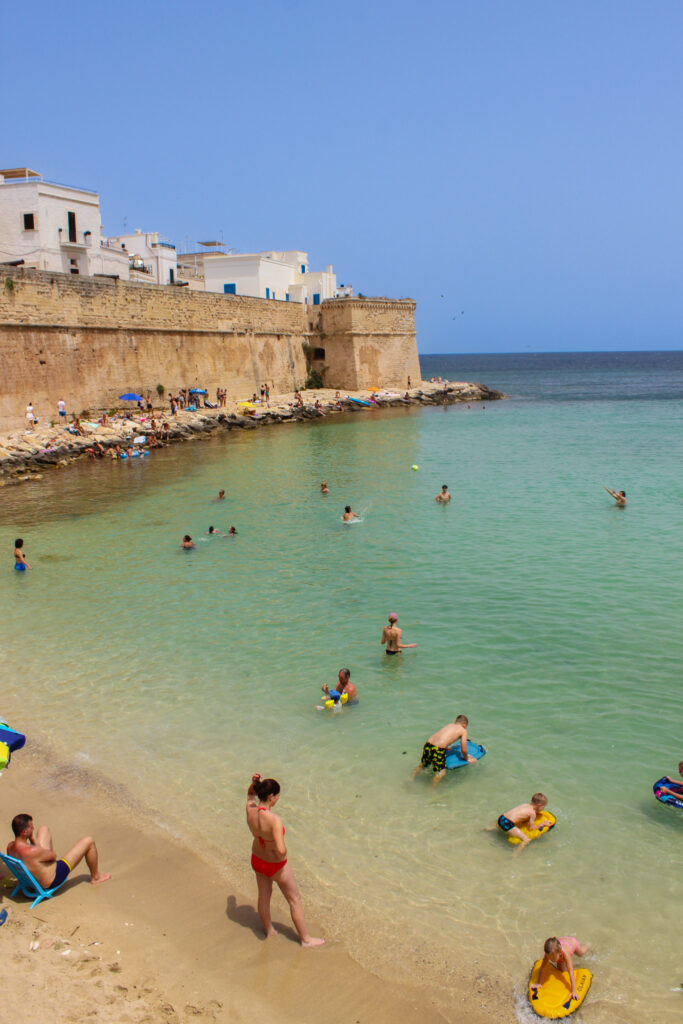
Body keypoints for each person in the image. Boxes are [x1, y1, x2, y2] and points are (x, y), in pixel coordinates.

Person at [245, 775, 324, 947]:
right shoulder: (274, 820)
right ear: (271, 797)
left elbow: (250, 795)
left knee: (264, 897)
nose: (277, 800)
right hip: (275, 865)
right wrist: (280, 854)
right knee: (295, 899)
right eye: (277, 797)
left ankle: (269, 931)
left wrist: (253, 784)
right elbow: (281, 850)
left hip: (257, 859)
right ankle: (306, 939)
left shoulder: (250, 810)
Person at [8, 813, 111, 889]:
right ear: (24, 832)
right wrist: (34, 840)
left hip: (31, 880)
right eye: (31, 827)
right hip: (53, 877)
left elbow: (35, 856)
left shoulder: (10, 847)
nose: (33, 828)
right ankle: (96, 877)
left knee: (43, 829)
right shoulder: (32, 851)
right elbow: (53, 856)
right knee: (88, 841)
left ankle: (96, 876)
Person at [412, 715, 474, 785]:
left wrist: (446, 747)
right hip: (438, 749)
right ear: (465, 725)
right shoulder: (463, 731)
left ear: (455, 722)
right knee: (441, 772)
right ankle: (430, 791)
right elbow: (464, 749)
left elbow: (442, 736)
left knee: (423, 765)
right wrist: (467, 758)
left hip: (428, 744)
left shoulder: (450, 725)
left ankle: (410, 779)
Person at [531, 936, 590, 1003]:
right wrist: (539, 983)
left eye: (553, 958)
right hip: (559, 942)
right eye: (550, 958)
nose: (551, 960)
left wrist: (574, 991)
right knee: (561, 970)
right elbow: (543, 967)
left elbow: (571, 973)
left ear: (559, 953)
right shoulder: (550, 952)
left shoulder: (565, 954)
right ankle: (568, 963)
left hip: (572, 943)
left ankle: (588, 945)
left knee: (581, 953)